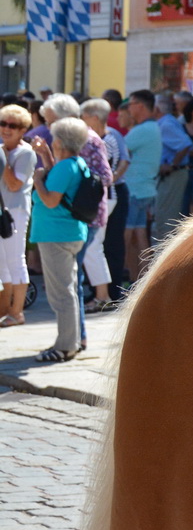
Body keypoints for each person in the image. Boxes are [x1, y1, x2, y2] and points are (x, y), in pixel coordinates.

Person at [28, 117, 94, 364]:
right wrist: (46, 156)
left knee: (61, 294)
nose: (51, 139)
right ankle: (72, 342)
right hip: (69, 233)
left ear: (62, 141)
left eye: (54, 136)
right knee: (68, 290)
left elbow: (51, 200)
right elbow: (59, 180)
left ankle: (65, 346)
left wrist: (36, 180)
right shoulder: (74, 163)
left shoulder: (67, 166)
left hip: (56, 235)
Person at [85, 98, 130, 294]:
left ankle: (108, 292)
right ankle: (101, 291)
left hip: (110, 194)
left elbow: (121, 163)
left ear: (94, 118)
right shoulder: (101, 138)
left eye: (84, 116)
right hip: (107, 193)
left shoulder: (108, 138)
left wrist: (110, 180)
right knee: (100, 245)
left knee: (103, 245)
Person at [0, 104, 35, 327]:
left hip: (16, 210)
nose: (6, 129)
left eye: (12, 125)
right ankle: (4, 310)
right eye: (3, 123)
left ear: (23, 130)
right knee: (2, 262)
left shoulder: (26, 153)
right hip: (3, 210)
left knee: (16, 260)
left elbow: (14, 184)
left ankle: (17, 311)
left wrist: (2, 159)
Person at [122, 90, 162, 275]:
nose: (128, 108)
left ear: (139, 105)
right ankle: (140, 278)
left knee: (126, 237)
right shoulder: (151, 128)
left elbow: (117, 152)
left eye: (130, 104)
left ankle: (120, 277)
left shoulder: (141, 130)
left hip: (134, 190)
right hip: (144, 189)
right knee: (139, 236)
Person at [152, 91, 193, 244]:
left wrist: (172, 165)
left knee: (166, 217)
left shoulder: (167, 123)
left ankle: (165, 257)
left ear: (157, 109)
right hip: (171, 174)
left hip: (173, 175)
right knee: (163, 216)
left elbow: (185, 144)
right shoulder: (165, 122)